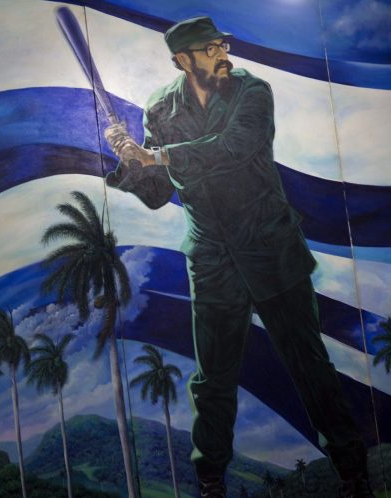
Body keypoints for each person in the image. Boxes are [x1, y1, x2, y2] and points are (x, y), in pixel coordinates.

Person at [103, 16, 374, 498]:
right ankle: (210, 482)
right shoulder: (161, 108)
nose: (222, 54)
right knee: (213, 381)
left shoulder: (253, 91)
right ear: (182, 61)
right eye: (209, 49)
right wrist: (129, 162)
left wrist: (157, 157)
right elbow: (160, 190)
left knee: (310, 365)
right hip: (211, 258)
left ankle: (354, 475)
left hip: (271, 248)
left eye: (221, 45)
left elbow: (235, 148)